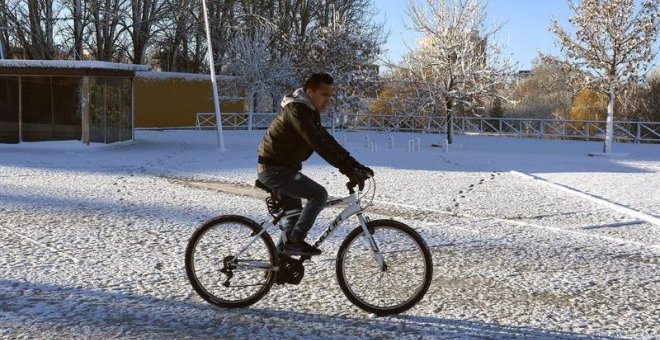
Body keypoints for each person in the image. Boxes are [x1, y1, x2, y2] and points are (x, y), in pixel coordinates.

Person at [257, 73, 373, 256]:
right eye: (324, 95)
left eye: (329, 96)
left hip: (282, 169)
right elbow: (318, 143)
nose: (327, 100)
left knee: (294, 216)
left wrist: (354, 165)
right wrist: (348, 168)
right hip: (275, 170)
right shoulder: (297, 111)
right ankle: (294, 242)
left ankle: (279, 266)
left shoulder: (308, 112)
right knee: (319, 195)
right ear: (310, 92)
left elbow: (326, 140)